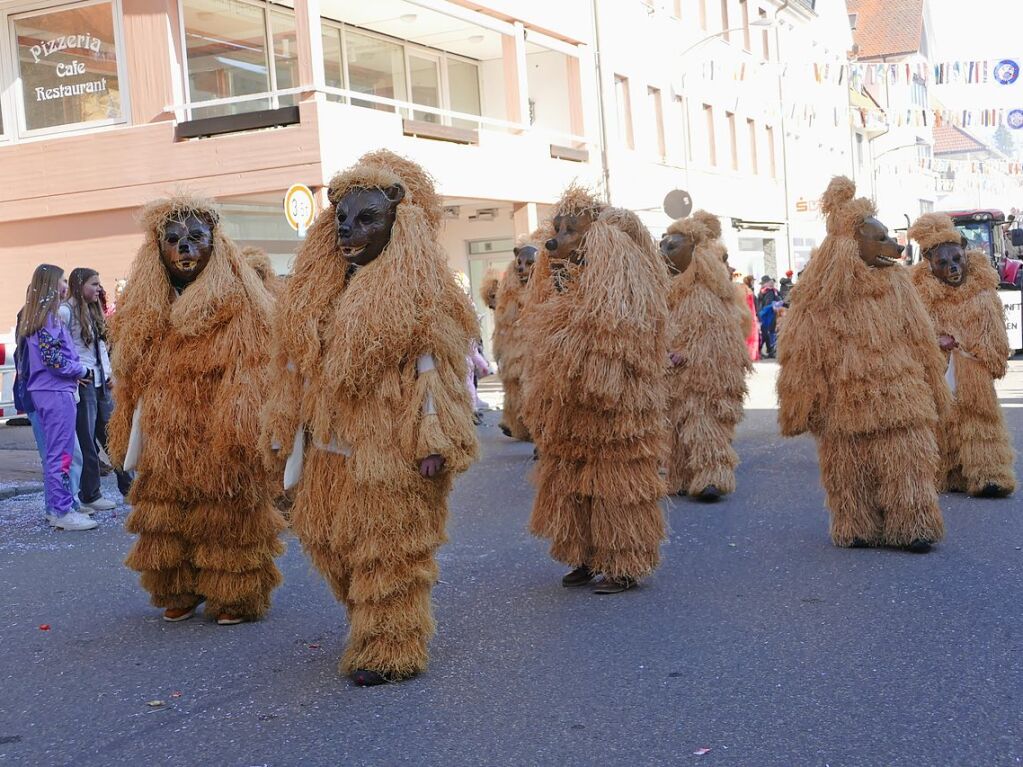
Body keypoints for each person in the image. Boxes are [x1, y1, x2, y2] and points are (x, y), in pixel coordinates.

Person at [108, 193, 286, 625]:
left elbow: (252, 368)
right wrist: (128, 423)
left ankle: (233, 594)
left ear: (214, 242)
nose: (184, 247)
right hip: (163, 434)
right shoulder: (144, 306)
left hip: (217, 430)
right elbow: (131, 373)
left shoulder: (239, 301)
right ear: (158, 249)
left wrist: (240, 429)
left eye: (195, 237)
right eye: (173, 239)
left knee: (225, 515)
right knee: (164, 515)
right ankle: (179, 589)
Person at [17, 265, 96, 531]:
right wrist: (81, 369)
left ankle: (55, 508)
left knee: (56, 453)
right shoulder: (49, 319)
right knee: (61, 454)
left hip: (48, 391)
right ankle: (63, 511)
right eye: (63, 280)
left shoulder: (37, 318)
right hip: (55, 391)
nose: (66, 284)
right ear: (52, 284)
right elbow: (53, 360)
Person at [60, 268, 132, 509]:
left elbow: (101, 346)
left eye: (100, 284)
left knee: (114, 437)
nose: (99, 288)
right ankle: (91, 494)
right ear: (80, 285)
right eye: (94, 284)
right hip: (85, 383)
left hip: (102, 381)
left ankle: (129, 487)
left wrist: (110, 373)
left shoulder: (94, 309)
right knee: (88, 440)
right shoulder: (66, 311)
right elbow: (61, 348)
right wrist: (74, 372)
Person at [757, 276, 782, 357]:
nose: (772, 284)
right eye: (771, 282)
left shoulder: (762, 291)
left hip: (763, 314)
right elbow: (769, 304)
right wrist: (777, 303)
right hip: (768, 315)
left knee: (765, 333)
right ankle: (768, 351)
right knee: (768, 333)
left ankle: (767, 350)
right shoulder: (770, 292)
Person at [741, 275, 761, 361]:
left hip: (749, 316)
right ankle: (751, 355)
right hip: (751, 316)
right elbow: (751, 306)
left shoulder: (745, 290)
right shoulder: (748, 291)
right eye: (752, 281)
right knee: (752, 337)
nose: (753, 282)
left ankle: (751, 354)